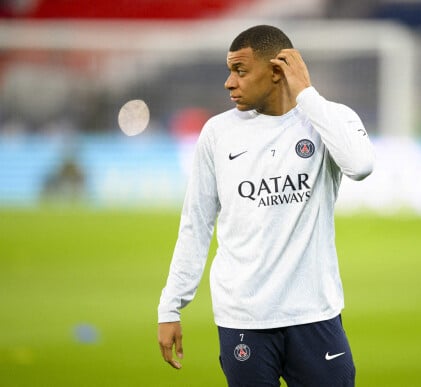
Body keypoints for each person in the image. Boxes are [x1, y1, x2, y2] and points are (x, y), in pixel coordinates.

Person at [157, 24, 374, 387]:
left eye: (240, 71)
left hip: (314, 314)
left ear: (277, 71)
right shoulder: (217, 133)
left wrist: (306, 93)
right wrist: (170, 306)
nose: (229, 82)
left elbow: (361, 165)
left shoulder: (328, 119)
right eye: (230, 71)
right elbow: (196, 223)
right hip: (244, 318)